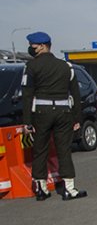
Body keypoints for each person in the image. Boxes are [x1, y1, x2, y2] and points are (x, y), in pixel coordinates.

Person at [21, 31, 87, 201]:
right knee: (64, 150)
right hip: (64, 113)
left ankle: (41, 189)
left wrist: (27, 122)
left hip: (41, 113)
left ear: (42, 46)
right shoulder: (66, 66)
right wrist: (77, 118)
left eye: (33, 46)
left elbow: (27, 95)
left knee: (39, 150)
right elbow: (75, 94)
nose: (30, 48)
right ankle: (69, 189)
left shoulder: (31, 67)